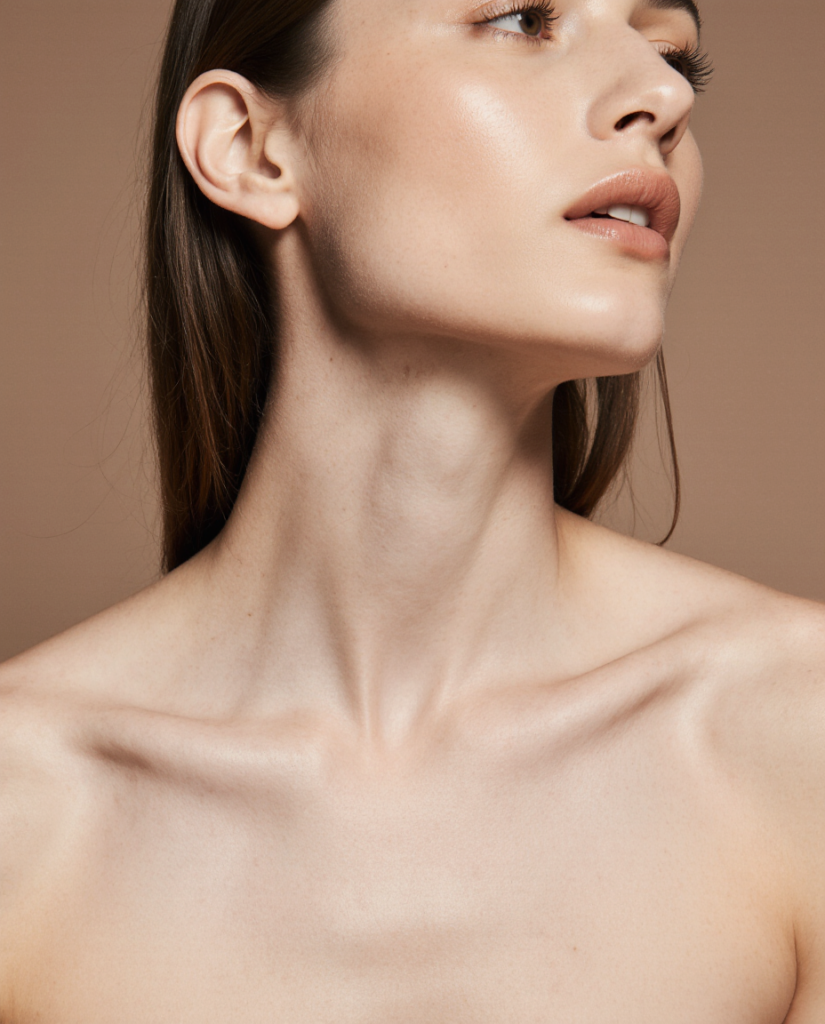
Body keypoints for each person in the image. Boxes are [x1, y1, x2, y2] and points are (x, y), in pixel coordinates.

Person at [1, 0, 823, 1018]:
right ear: (250, 150)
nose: (659, 96)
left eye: (670, 56)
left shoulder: (796, 741)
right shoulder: (25, 817)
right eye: (522, 18)